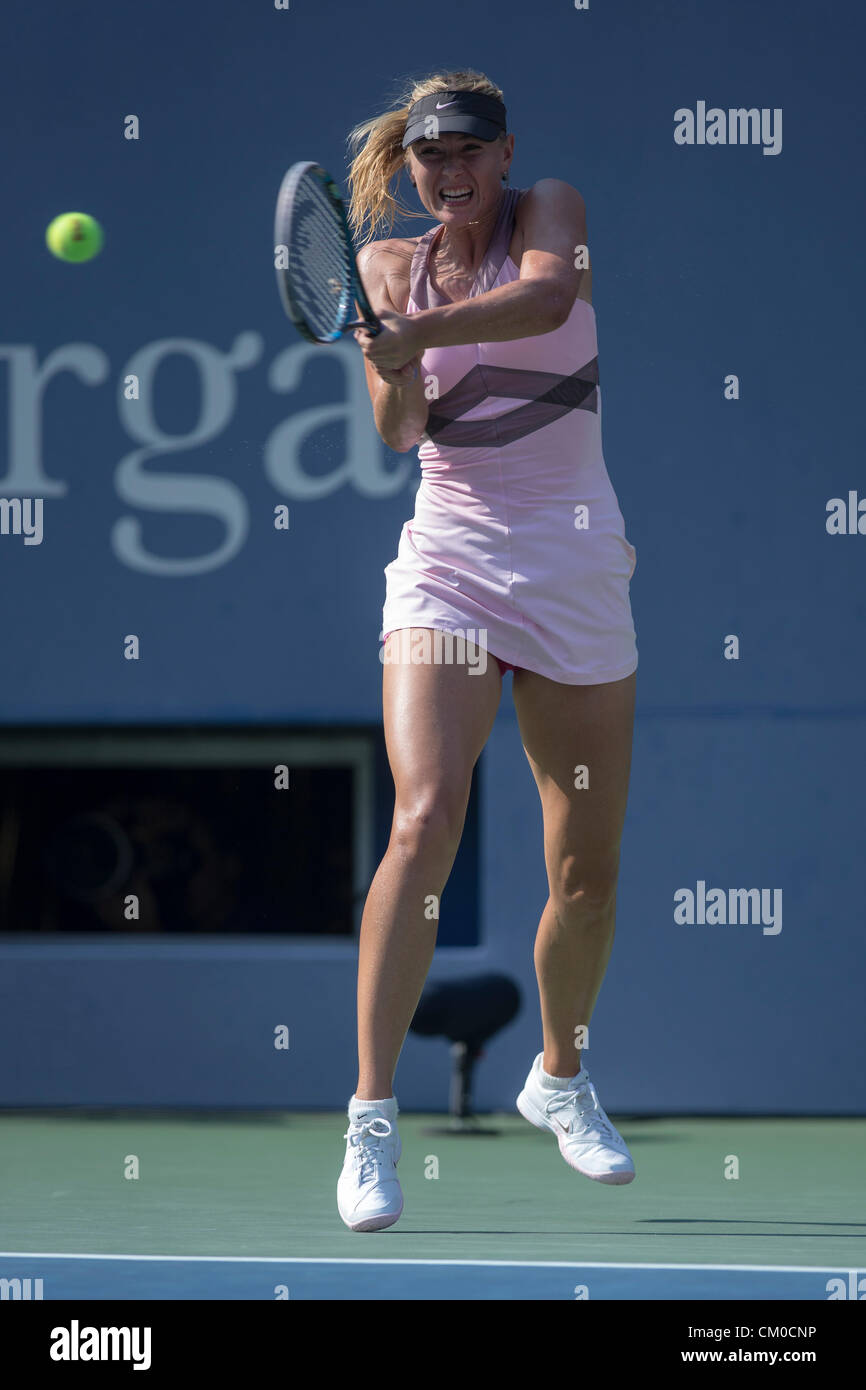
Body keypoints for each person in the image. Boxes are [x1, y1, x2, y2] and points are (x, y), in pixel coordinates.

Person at [337, 70, 639, 1232]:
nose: (448, 171)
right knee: (424, 818)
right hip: (449, 561)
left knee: (585, 873)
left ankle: (558, 1077)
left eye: (468, 150)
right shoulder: (381, 270)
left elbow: (546, 305)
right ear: (410, 165)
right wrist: (397, 367)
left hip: (573, 564)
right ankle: (370, 1118)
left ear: (504, 154)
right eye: (428, 156)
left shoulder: (547, 212)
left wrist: (422, 332)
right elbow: (398, 431)